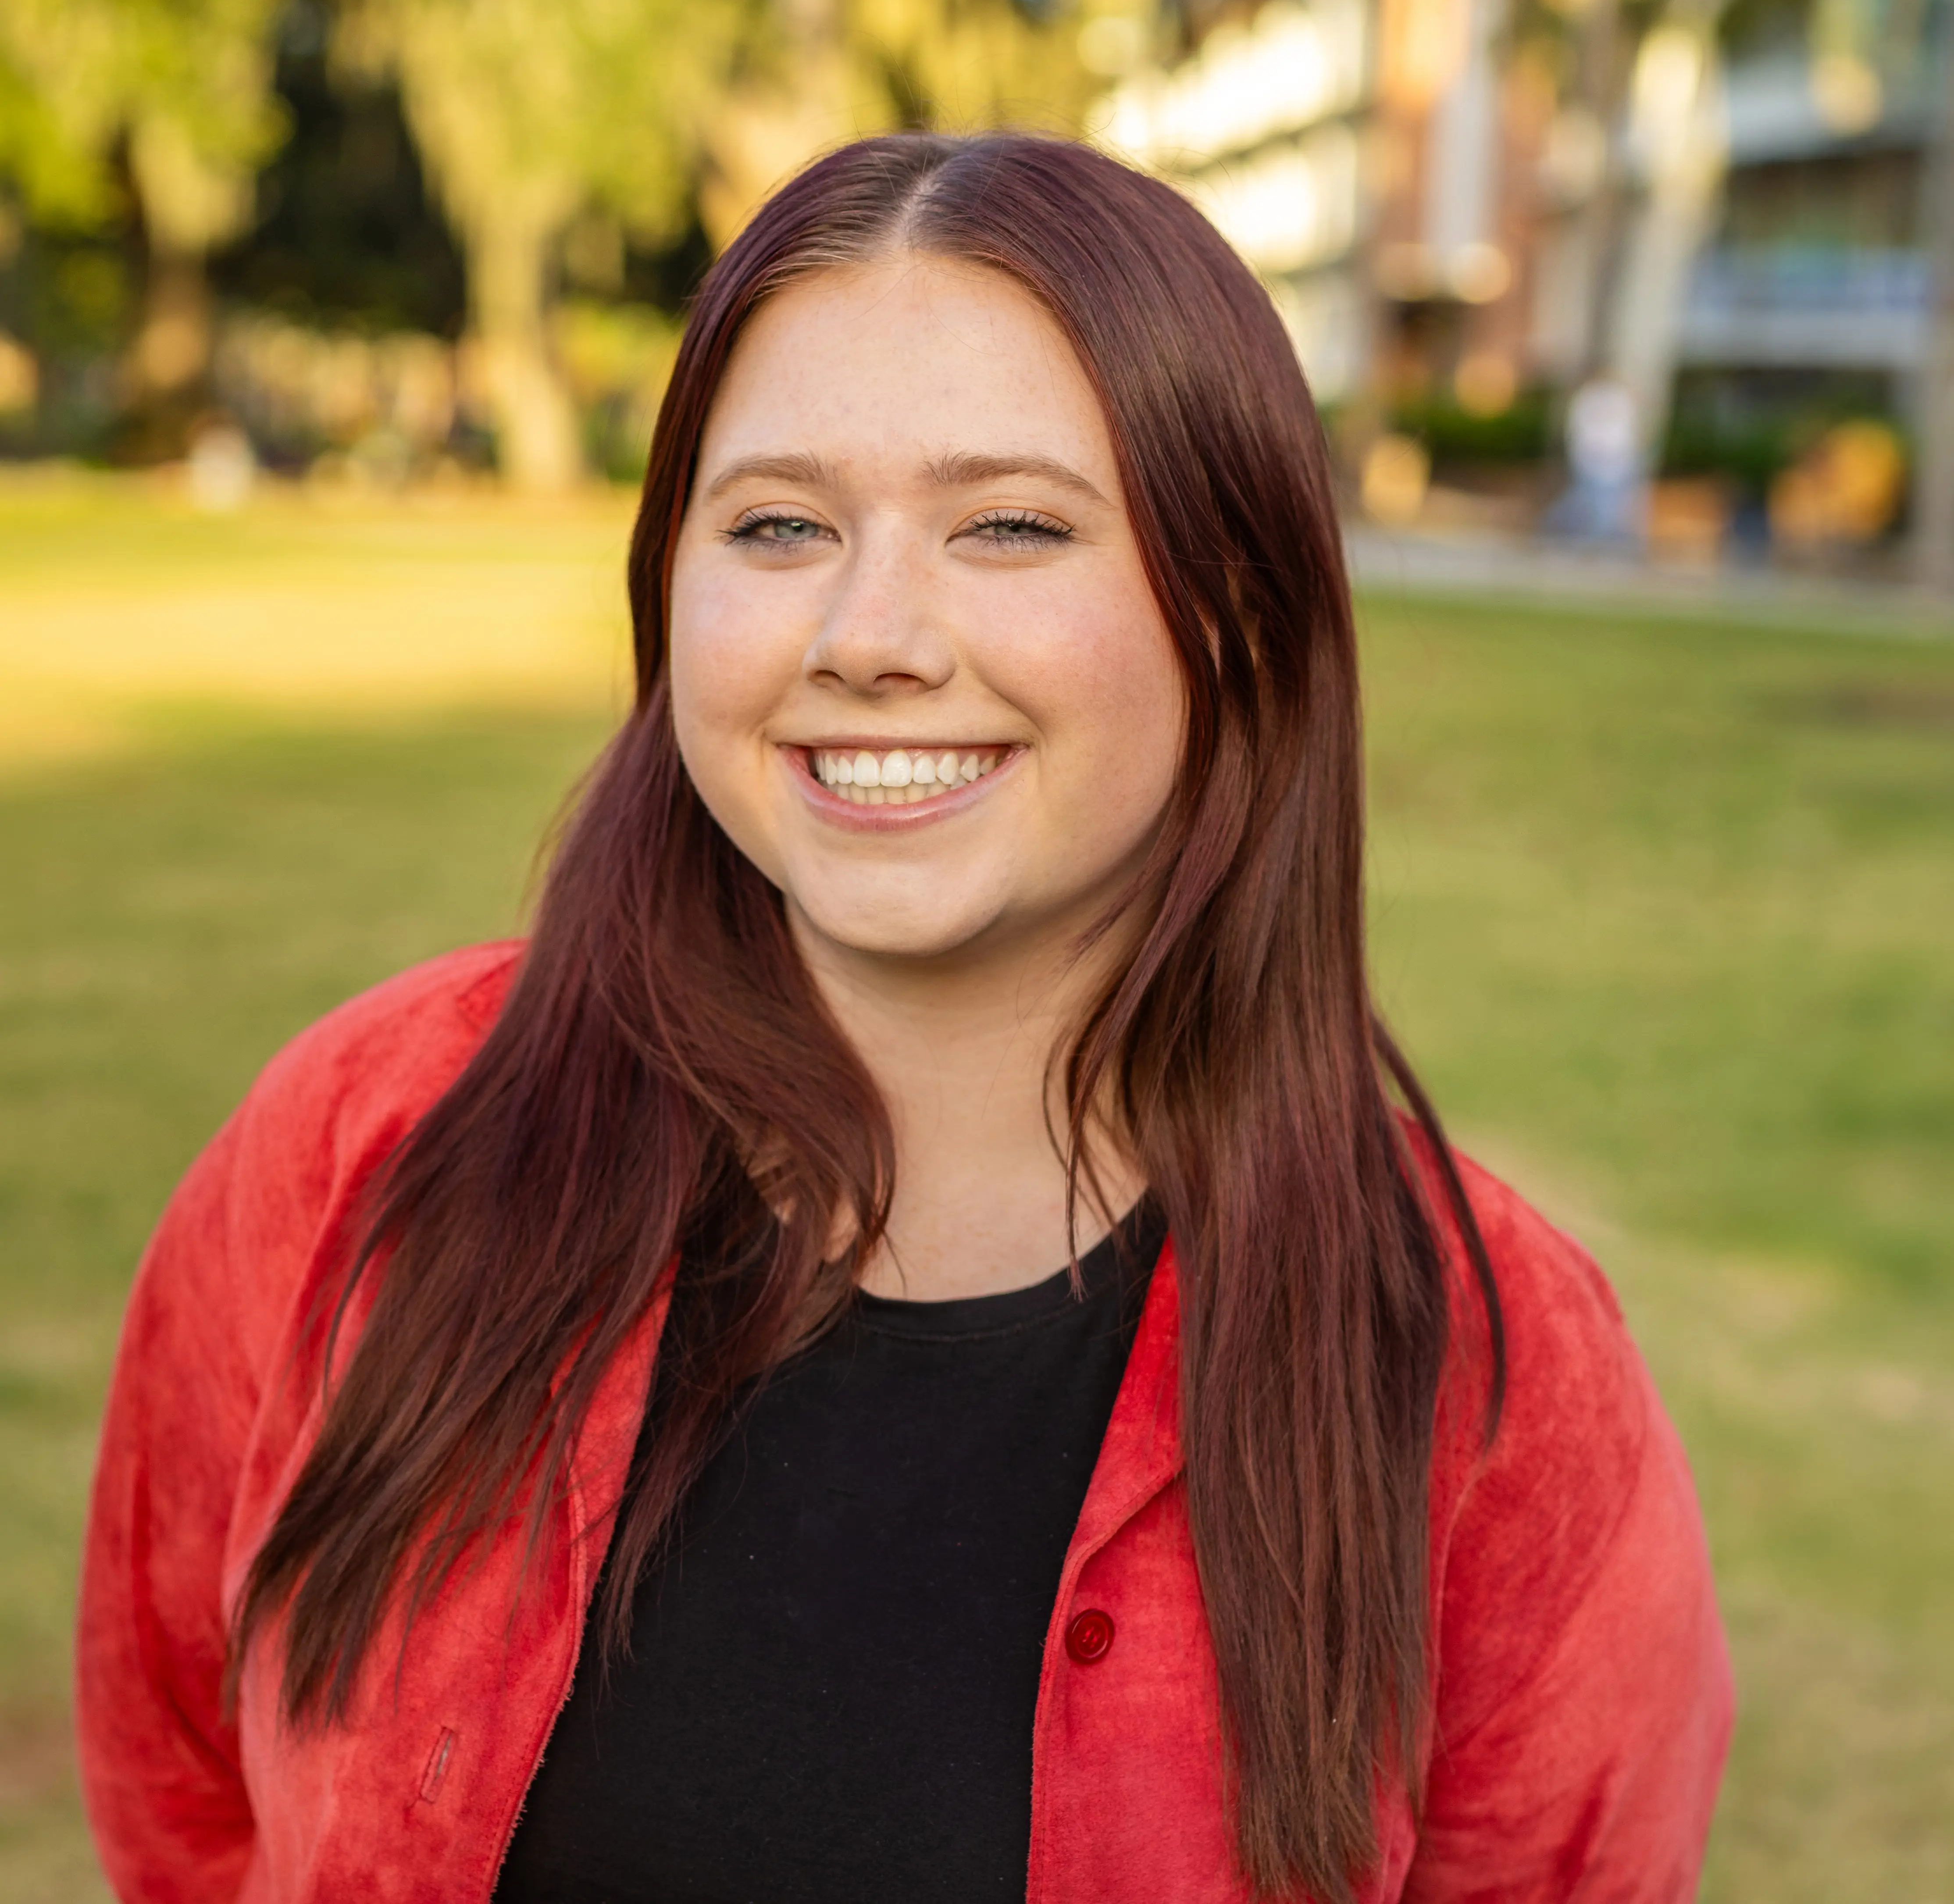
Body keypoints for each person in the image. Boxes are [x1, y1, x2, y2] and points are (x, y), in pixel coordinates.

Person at [76, 133, 1732, 1904]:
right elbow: (183, 1789)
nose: (869, 634)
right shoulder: (364, 1140)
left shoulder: (1494, 1387)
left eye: (1009, 525)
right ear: (669, 585)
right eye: (778, 524)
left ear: (1237, 610)